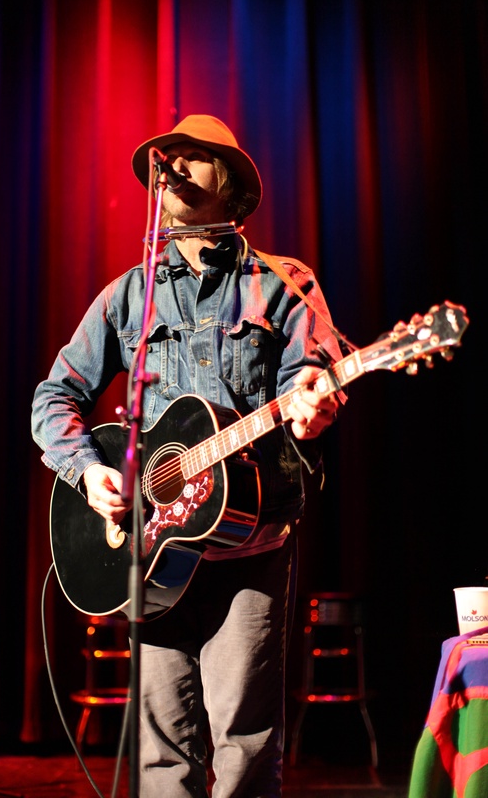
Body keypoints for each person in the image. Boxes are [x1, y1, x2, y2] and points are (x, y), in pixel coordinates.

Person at [31, 114, 345, 798]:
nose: (169, 165)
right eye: (163, 158)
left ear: (229, 185)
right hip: (152, 547)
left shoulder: (281, 283)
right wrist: (87, 471)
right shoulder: (129, 294)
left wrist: (311, 408)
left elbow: (310, 379)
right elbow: (56, 394)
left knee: (242, 742)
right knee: (161, 747)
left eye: (191, 157)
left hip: (249, 542)